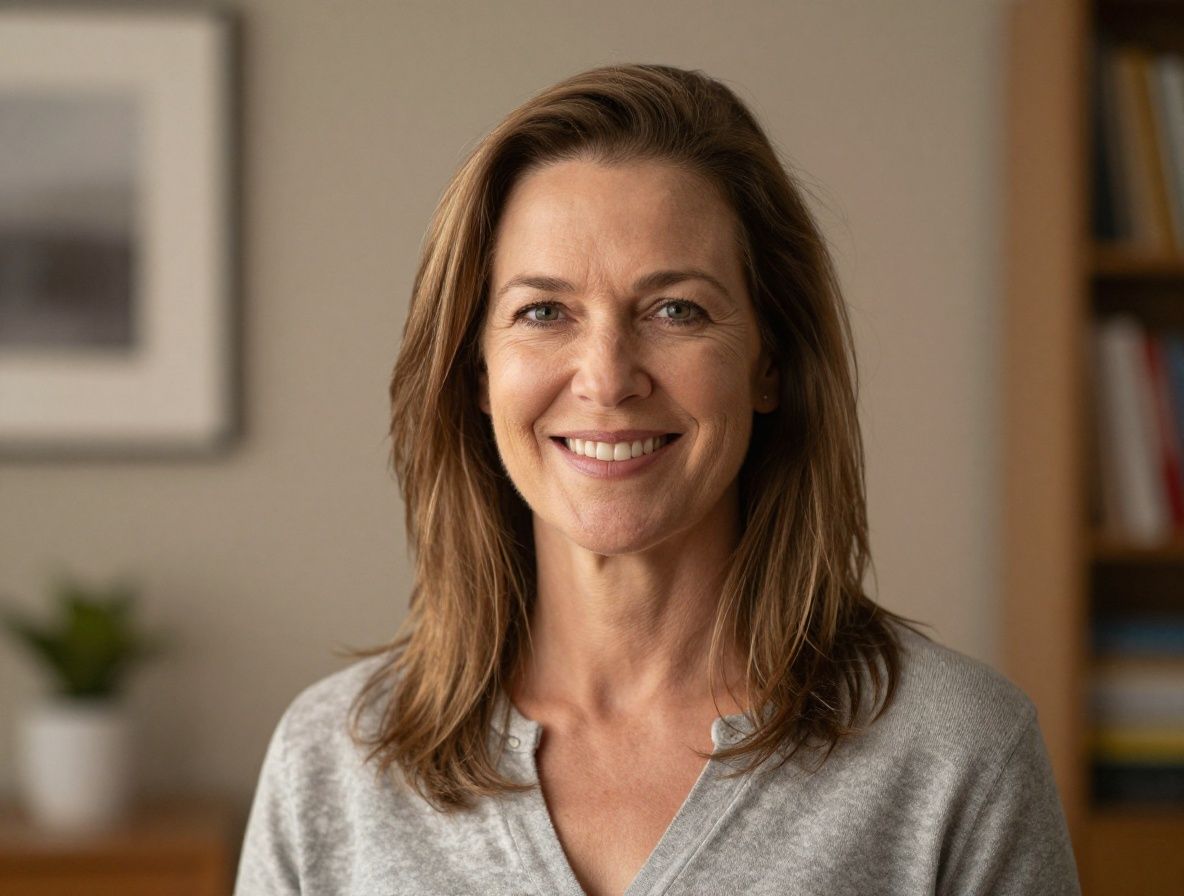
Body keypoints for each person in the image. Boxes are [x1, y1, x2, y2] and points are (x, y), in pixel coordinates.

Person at [235, 64, 1081, 895]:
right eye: (543, 312)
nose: (607, 378)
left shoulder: (956, 754)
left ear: (769, 363)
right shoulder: (333, 761)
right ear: (474, 374)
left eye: (675, 309)